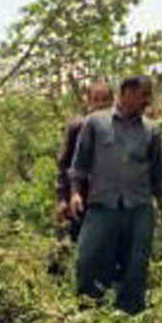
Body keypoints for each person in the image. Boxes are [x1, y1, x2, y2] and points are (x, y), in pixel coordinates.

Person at [68, 75, 162, 314]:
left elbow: (159, 175)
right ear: (127, 93)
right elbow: (79, 166)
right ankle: (89, 313)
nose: (148, 101)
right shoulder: (95, 123)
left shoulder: (151, 130)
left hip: (139, 209)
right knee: (89, 259)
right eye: (144, 94)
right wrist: (75, 194)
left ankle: (129, 319)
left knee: (135, 267)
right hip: (102, 205)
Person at [55, 81, 114, 242]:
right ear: (88, 102)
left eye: (105, 100)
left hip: (107, 202)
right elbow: (63, 163)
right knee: (73, 243)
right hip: (79, 199)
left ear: (112, 102)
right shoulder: (77, 127)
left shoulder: (118, 129)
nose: (100, 104)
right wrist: (62, 198)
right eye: (96, 100)